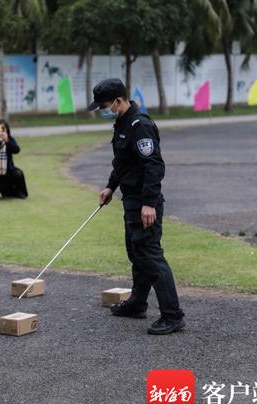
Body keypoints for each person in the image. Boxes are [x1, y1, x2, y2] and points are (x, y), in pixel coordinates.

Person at [87, 78, 185, 335]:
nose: (102, 110)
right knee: (136, 251)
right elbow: (123, 163)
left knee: (150, 254)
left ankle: (173, 315)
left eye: (104, 105)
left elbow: (153, 166)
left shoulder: (139, 125)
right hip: (130, 200)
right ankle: (138, 303)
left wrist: (149, 203)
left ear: (119, 101)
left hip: (144, 201)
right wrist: (110, 187)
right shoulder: (121, 123)